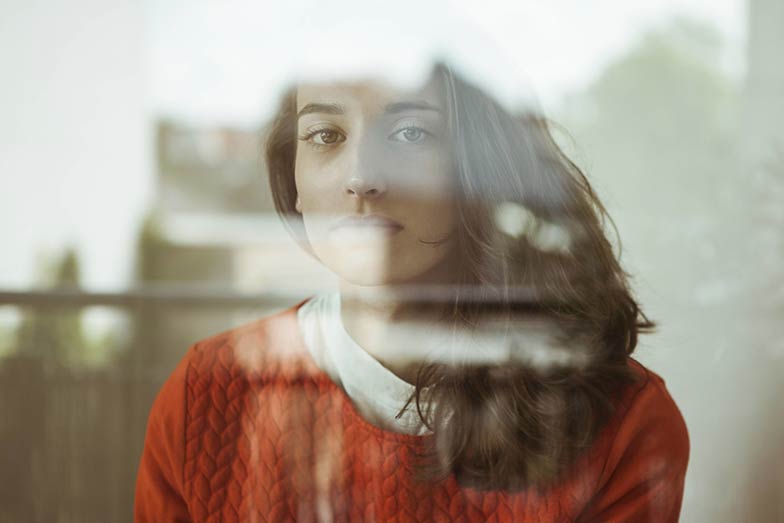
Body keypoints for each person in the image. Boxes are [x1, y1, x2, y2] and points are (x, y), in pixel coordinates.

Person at [134, 62, 689, 522]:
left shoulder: (622, 421)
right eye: (325, 136)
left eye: (411, 133)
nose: (362, 176)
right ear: (294, 181)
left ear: (477, 172)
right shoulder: (206, 394)